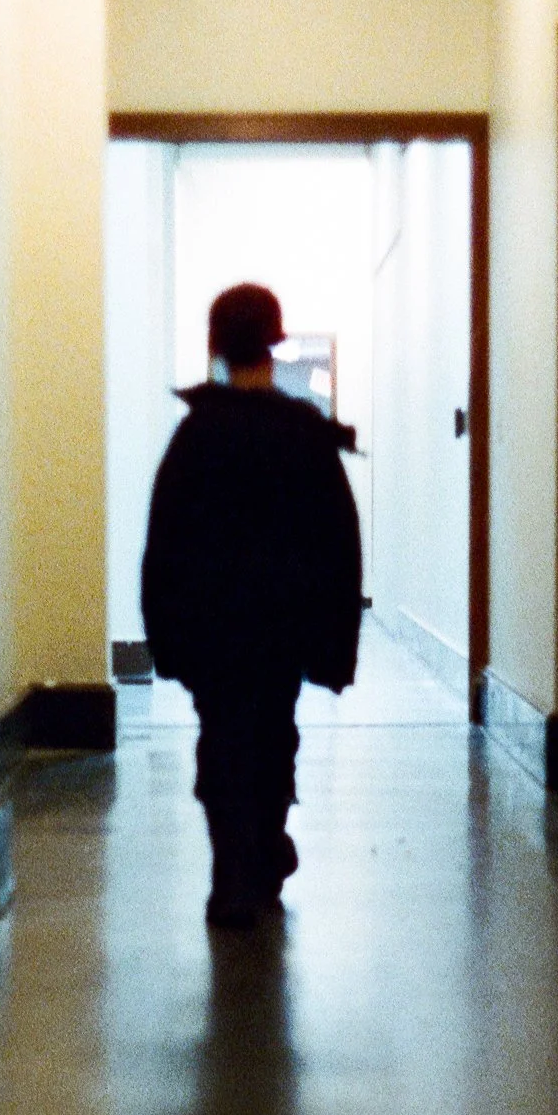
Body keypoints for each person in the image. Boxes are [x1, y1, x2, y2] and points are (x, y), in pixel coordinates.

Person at [141, 281, 365, 929]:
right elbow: (336, 548)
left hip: (212, 632)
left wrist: (166, 638)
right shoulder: (303, 438)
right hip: (280, 630)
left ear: (215, 349)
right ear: (273, 345)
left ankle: (231, 874)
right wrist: (333, 645)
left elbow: (164, 546)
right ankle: (262, 855)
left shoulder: (194, 438)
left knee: (221, 740)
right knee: (271, 737)